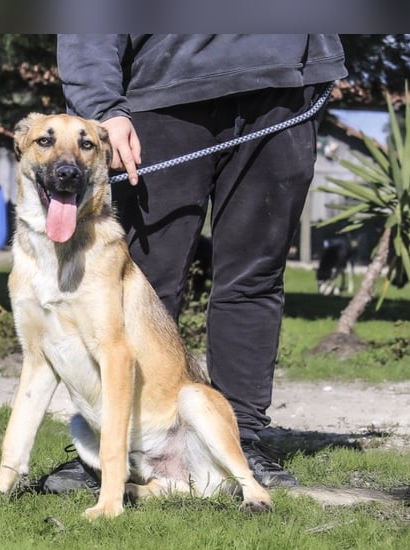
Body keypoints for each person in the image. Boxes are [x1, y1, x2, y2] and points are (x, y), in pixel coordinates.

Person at [38, 34, 347, 492]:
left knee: (254, 279)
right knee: (140, 282)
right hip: (161, 94)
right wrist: (103, 108)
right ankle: (110, 447)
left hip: (282, 91)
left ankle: (242, 437)